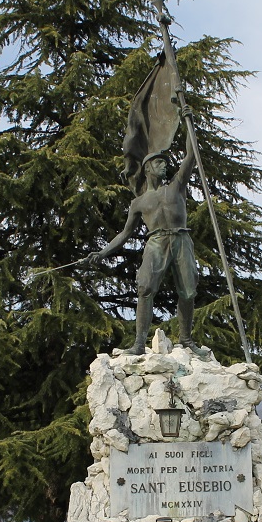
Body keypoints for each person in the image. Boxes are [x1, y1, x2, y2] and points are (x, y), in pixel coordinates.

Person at [92, 121, 201, 355]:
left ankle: (186, 339)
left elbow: (191, 156)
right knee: (145, 288)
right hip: (155, 242)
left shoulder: (176, 186)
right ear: (148, 168)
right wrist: (103, 252)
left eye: (165, 162)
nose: (165, 165)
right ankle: (139, 344)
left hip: (181, 239)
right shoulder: (138, 203)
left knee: (189, 291)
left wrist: (188, 123)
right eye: (160, 162)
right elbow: (124, 233)